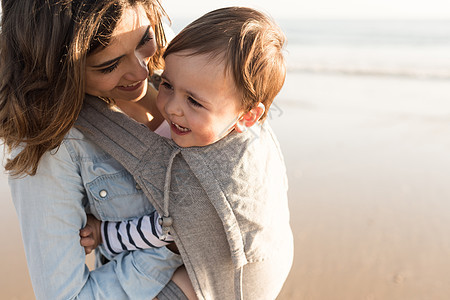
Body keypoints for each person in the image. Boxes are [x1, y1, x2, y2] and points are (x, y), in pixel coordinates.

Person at [77, 6, 293, 299]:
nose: (172, 107)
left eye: (194, 101)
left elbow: (168, 232)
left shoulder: (218, 169)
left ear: (248, 117)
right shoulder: (218, 118)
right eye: (167, 84)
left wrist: (105, 235)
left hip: (233, 283)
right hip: (277, 256)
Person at [0, 0, 191, 299]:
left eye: (145, 40)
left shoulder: (187, 85)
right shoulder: (50, 145)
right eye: (109, 65)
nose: (141, 72)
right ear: (58, 67)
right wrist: (176, 244)